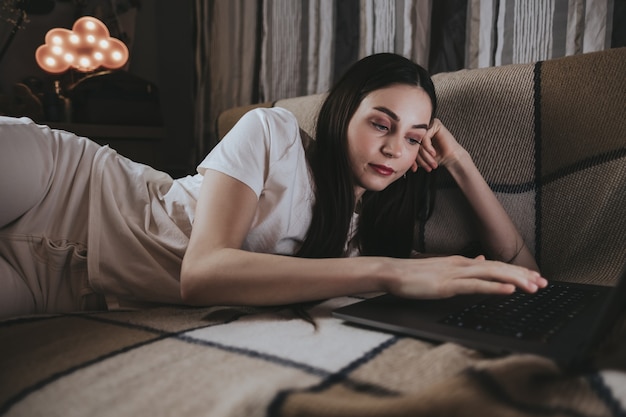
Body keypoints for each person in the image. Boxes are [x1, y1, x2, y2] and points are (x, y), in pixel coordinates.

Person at [0, 53, 545, 319]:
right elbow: (203, 272)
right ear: (340, 116)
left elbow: (521, 263)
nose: (394, 150)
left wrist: (462, 164)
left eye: (413, 138)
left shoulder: (358, 238)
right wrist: (394, 272)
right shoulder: (273, 133)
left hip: (60, 290)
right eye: (381, 124)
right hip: (66, 185)